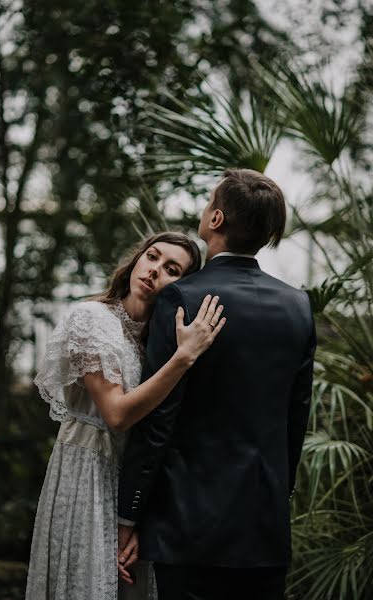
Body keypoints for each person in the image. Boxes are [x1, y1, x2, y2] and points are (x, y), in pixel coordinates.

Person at [118, 169, 317, 600]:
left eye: (210, 201)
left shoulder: (182, 299)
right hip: (263, 525)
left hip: (187, 523)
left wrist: (129, 515)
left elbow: (158, 419)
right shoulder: (298, 307)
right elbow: (294, 421)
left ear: (216, 220)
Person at [25, 231, 226, 600]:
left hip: (129, 484)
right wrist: (184, 358)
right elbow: (116, 414)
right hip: (85, 473)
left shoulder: (157, 344)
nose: (154, 271)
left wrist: (135, 517)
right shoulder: (92, 319)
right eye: (152, 257)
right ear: (136, 260)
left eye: (171, 269)